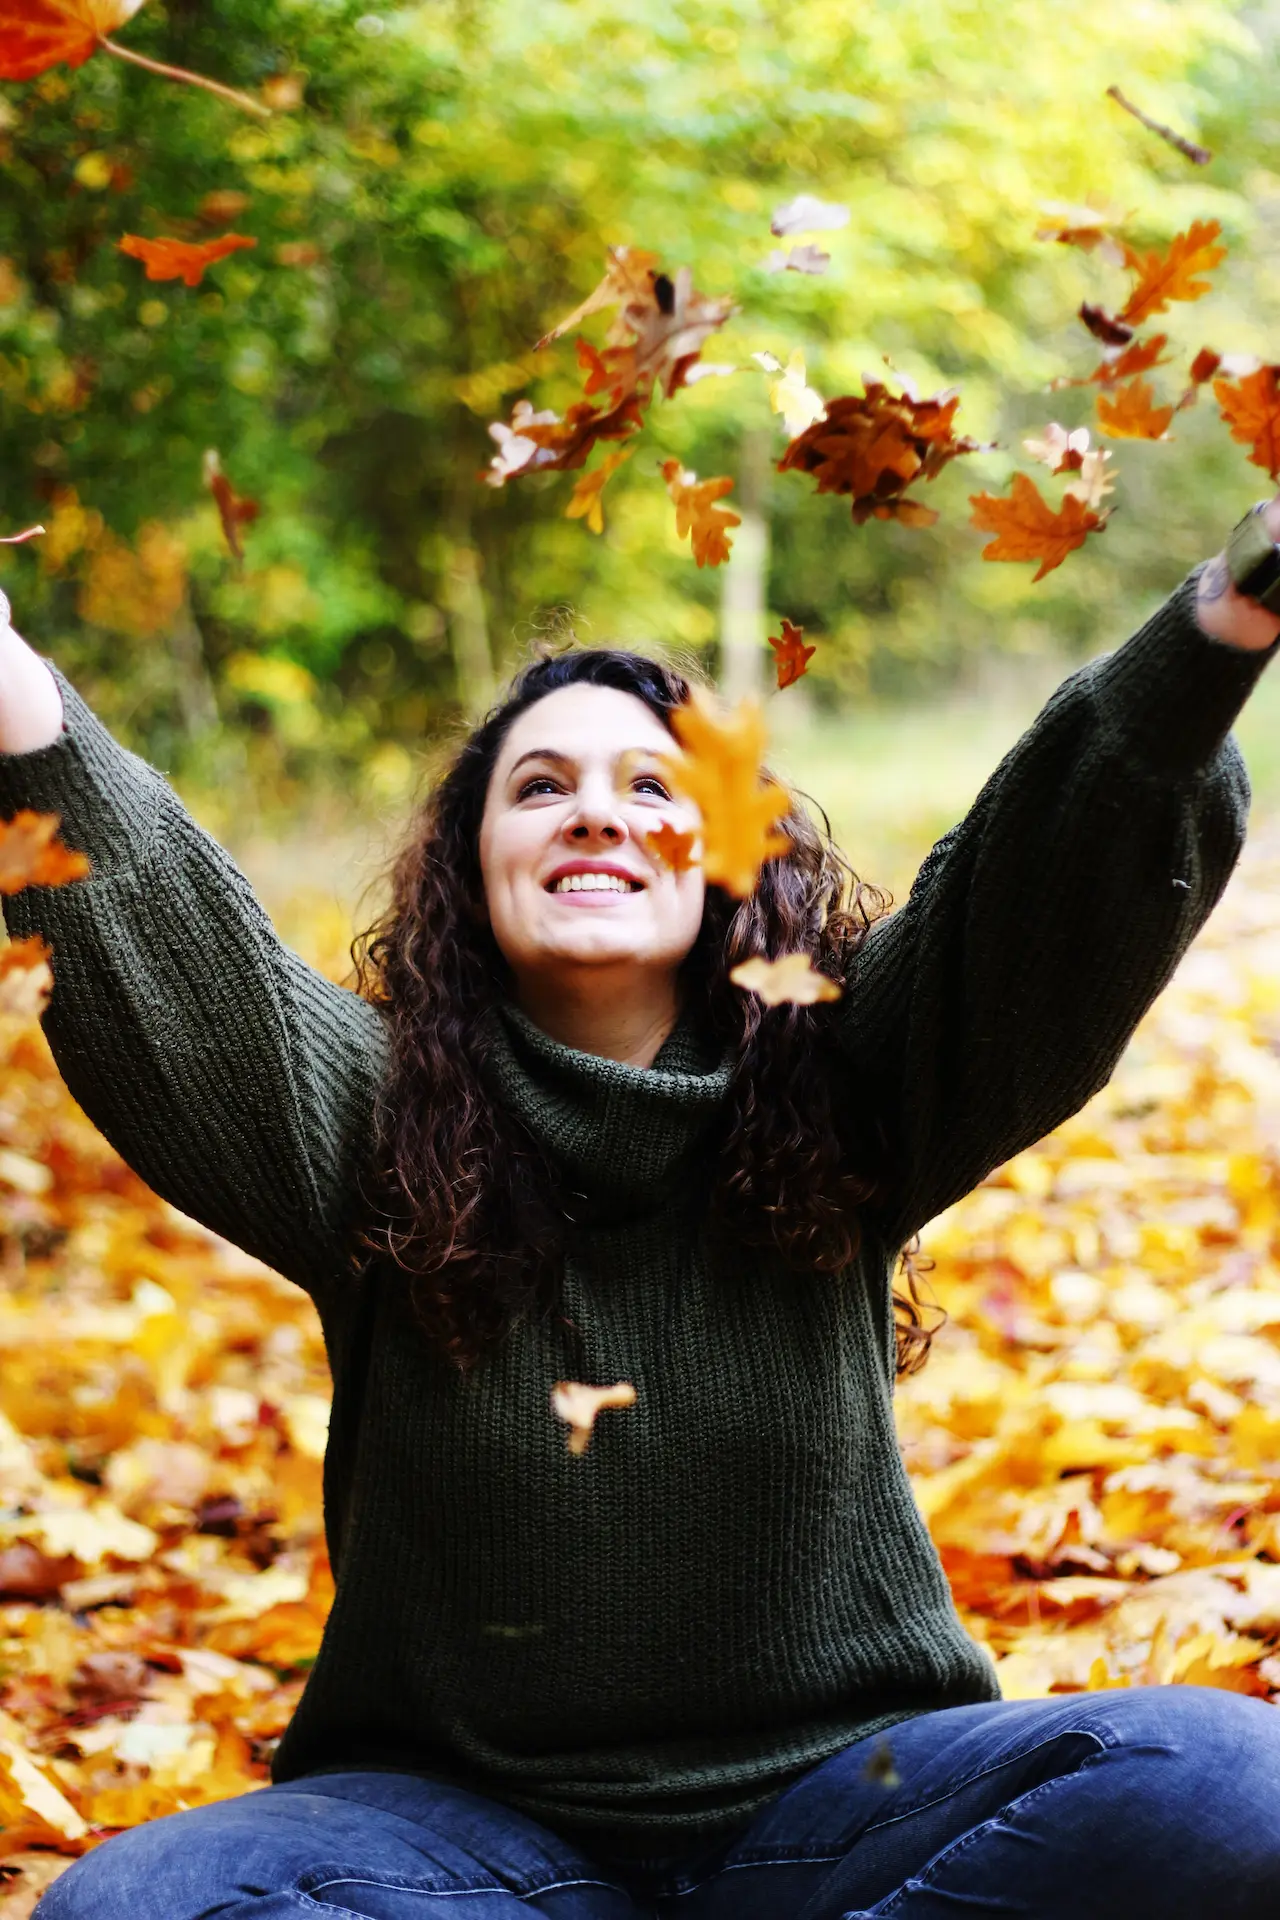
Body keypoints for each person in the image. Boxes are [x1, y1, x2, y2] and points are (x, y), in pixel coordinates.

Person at [5, 512, 1280, 1920]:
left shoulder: (852, 1076)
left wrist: (1233, 602)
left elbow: (1046, 882)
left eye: (650, 786)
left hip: (846, 1805)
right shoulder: (363, 1121)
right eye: (540, 788)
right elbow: (166, 930)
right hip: (459, 1849)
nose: (597, 812)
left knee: (1228, 1782)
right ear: (469, 871)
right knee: (127, 1911)